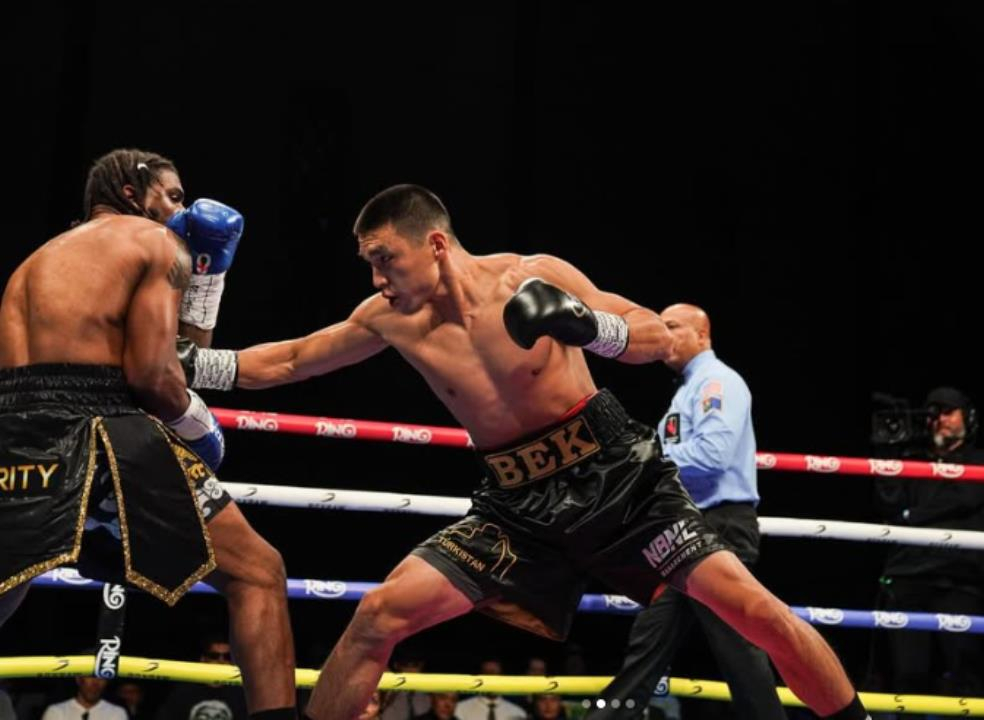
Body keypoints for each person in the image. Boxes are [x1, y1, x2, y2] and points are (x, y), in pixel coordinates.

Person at [189, 184, 869, 720]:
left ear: (435, 244)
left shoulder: (530, 275)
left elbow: (655, 336)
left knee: (756, 612)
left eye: (384, 258)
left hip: (619, 479)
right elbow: (291, 360)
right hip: (516, 507)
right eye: (369, 263)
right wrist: (189, 366)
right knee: (377, 615)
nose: (376, 278)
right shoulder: (389, 319)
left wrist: (589, 327)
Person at [0, 148, 296, 719]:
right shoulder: (154, 240)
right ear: (134, 194)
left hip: (14, 430)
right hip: (101, 426)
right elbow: (157, 376)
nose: (183, 211)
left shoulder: (34, 262)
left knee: (11, 579)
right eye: (175, 196)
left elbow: (178, 355)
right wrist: (195, 424)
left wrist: (206, 279)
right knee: (259, 573)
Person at [587, 303, 785, 719]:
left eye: (673, 326)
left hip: (718, 526)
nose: (664, 335)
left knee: (738, 649)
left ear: (702, 334)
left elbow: (712, 455)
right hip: (682, 528)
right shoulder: (686, 391)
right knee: (647, 645)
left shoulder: (718, 382)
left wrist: (642, 460)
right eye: (660, 326)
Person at [870, 386, 984, 698]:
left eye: (947, 412)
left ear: (967, 418)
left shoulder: (983, 460)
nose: (939, 420)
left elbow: (962, 499)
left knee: (965, 675)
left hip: (958, 579)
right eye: (932, 414)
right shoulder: (912, 462)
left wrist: (910, 515)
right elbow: (888, 504)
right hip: (907, 578)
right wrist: (888, 454)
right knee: (908, 675)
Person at [156, 635, 248, 720]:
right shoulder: (185, 691)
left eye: (227, 657)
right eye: (214, 656)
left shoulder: (240, 694)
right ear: (203, 659)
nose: (221, 661)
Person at [454, 659, 526, 720]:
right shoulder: (460, 709)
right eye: (487, 674)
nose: (491, 679)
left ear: (502, 677)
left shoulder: (517, 712)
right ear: (479, 677)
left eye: (495, 674)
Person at [41, 677, 127, 720]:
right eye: (90, 676)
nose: (95, 683)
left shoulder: (116, 713)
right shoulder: (57, 711)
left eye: (101, 677)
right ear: (78, 679)